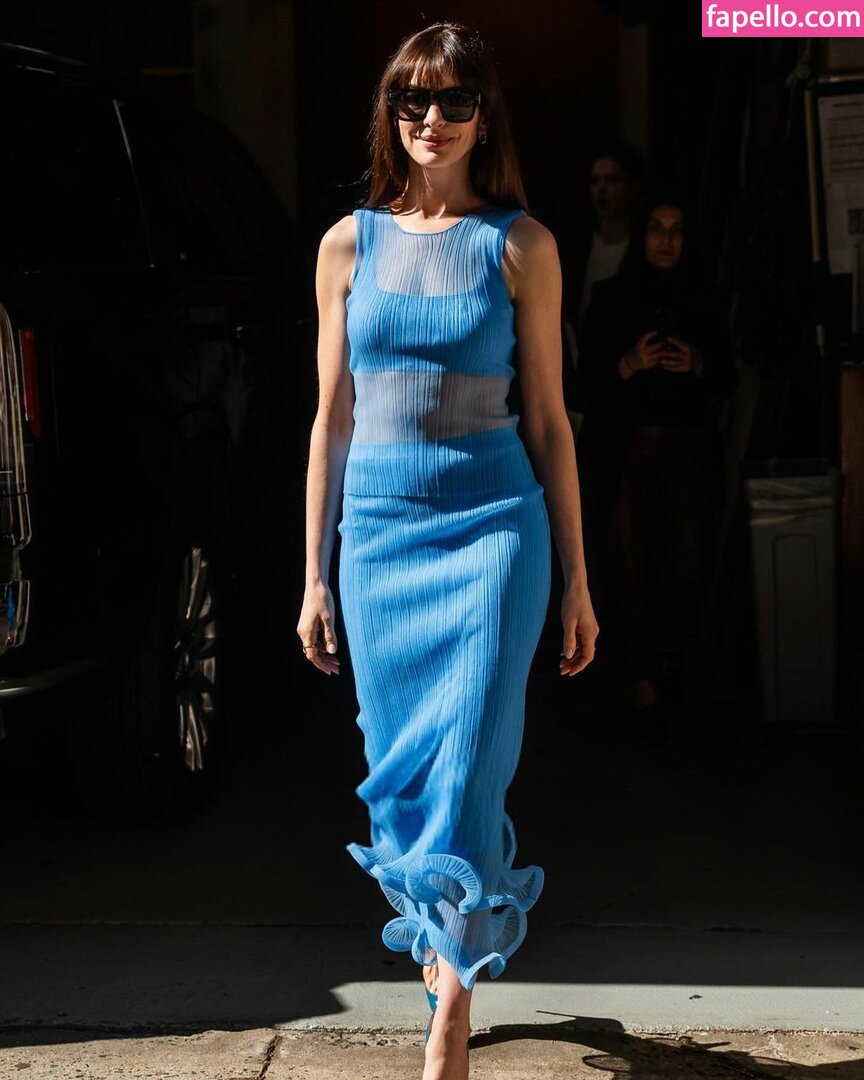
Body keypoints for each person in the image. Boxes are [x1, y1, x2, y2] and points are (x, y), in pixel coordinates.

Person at [296, 22, 598, 1080]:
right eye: (412, 101)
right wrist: (313, 575)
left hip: (494, 535)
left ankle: (452, 1015)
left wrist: (578, 579)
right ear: (390, 115)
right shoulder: (346, 246)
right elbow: (331, 419)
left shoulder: (522, 246)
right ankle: (443, 942)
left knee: (468, 769)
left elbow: (550, 422)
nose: (432, 119)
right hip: (378, 539)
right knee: (401, 778)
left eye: (454, 101)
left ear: (483, 118)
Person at [577, 195, 737, 739]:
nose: (666, 241)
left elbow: (727, 378)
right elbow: (585, 383)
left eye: (676, 230)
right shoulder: (612, 297)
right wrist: (628, 364)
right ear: (641, 236)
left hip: (687, 450)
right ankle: (644, 682)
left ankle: (670, 660)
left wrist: (697, 362)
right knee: (628, 563)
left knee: (685, 562)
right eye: (656, 229)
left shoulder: (705, 298)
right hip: (626, 452)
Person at [558, 142, 645, 421]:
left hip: (629, 383)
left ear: (634, 187)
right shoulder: (574, 247)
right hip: (581, 376)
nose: (602, 190)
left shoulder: (644, 250)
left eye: (612, 180)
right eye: (595, 182)